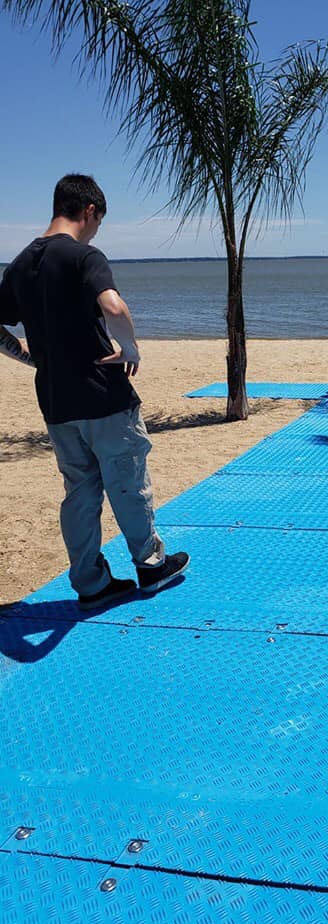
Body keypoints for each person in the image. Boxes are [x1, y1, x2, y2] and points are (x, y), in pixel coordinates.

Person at [0, 173, 189, 609]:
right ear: (89, 211)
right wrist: (131, 348)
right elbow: (114, 306)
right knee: (127, 479)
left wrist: (28, 357)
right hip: (103, 395)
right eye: (99, 221)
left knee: (80, 490)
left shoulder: (21, 264)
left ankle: (90, 582)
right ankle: (150, 565)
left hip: (55, 401)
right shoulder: (85, 256)